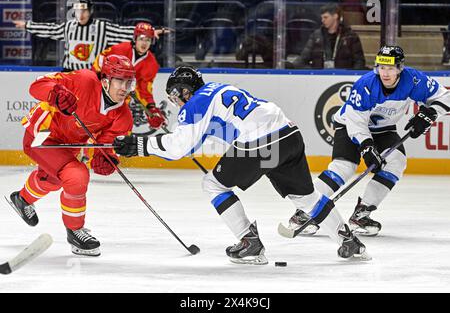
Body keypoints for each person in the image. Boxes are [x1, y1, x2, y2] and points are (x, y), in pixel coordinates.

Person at [112, 66, 371, 265]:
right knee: (305, 197)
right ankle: (349, 241)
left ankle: (249, 241)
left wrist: (138, 145)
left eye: (175, 97)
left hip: (261, 144)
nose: (177, 103)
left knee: (213, 184)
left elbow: (179, 148)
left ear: (184, 91)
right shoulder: (216, 89)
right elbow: (200, 138)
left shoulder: (195, 103)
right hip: (289, 135)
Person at [297, 45, 450, 236]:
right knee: (344, 167)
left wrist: (430, 113)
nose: (385, 73)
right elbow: (356, 121)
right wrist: (366, 146)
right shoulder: (366, 84)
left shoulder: (414, 80)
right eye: (381, 67)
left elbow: (446, 96)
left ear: (400, 68)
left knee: (396, 162)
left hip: (383, 129)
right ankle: (304, 211)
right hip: (349, 126)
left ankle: (362, 213)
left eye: (391, 68)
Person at [6, 54, 136, 256]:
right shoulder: (83, 80)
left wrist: (106, 157)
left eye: (129, 82)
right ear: (105, 81)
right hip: (43, 133)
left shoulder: (123, 115)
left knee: (55, 179)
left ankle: (22, 199)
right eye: (119, 80)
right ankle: (75, 231)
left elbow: (104, 145)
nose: (124, 88)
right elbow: (37, 85)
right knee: (76, 175)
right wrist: (54, 94)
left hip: (69, 145)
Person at [13, 0, 166, 71]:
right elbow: (50, 29)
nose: (81, 14)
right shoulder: (69, 26)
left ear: (91, 11)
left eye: (84, 10)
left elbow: (123, 31)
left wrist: (150, 31)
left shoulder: (101, 27)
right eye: (78, 10)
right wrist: (27, 25)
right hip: (70, 73)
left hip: (92, 74)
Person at [92, 22, 167, 130]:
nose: (144, 43)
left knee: (118, 131)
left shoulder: (152, 64)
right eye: (141, 38)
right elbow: (100, 60)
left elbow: (144, 90)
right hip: (101, 94)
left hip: (121, 100)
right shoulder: (121, 49)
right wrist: (98, 80)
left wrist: (152, 109)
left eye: (148, 40)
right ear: (135, 39)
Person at [292, 3, 366, 70]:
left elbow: (359, 61)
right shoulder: (316, 36)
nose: (322, 20)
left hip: (342, 78)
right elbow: (301, 61)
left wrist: (349, 75)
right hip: (319, 78)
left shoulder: (350, 36)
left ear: (335, 16)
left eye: (325, 17)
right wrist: (314, 72)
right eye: (322, 18)